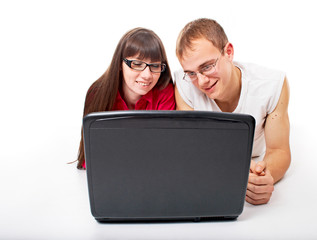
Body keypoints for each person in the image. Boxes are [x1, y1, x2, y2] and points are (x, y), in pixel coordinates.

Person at [174, 18, 291, 205]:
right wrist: (238, 174)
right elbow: (196, 150)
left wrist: (263, 177)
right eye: (192, 73)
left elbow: (279, 150)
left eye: (207, 66)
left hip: (255, 161)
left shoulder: (272, 85)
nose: (202, 81)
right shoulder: (183, 85)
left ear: (228, 52)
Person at [76, 27, 175, 169]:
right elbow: (91, 158)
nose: (147, 75)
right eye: (137, 64)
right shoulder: (97, 93)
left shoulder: (165, 92)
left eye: (155, 66)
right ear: (120, 64)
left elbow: (164, 151)